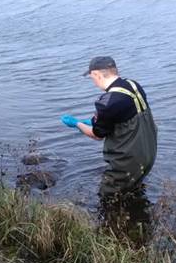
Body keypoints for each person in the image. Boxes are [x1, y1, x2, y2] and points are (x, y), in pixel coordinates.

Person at [60, 56, 157, 241]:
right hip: (147, 154)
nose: (92, 81)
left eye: (91, 77)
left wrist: (77, 124)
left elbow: (97, 135)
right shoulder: (133, 86)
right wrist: (98, 120)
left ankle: (112, 236)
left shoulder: (107, 101)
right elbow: (124, 115)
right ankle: (137, 223)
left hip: (127, 161)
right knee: (133, 190)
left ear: (96, 74)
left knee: (108, 196)